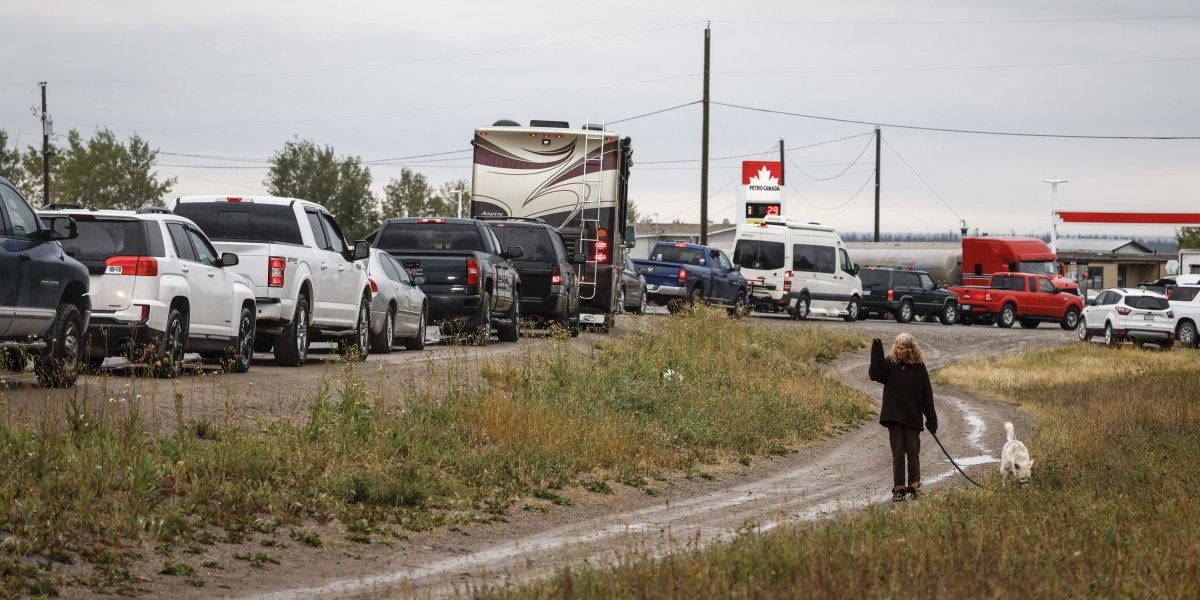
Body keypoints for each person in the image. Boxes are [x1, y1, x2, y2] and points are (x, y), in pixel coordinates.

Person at [868, 333, 938, 502]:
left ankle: (914, 486)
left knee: (913, 452)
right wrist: (877, 349)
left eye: (902, 348)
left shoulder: (919, 367)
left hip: (912, 417)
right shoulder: (890, 363)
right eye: (897, 347)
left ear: (911, 349)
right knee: (898, 452)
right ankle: (898, 489)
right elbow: (875, 374)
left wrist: (931, 418)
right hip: (894, 416)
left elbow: (926, 394)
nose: (898, 351)